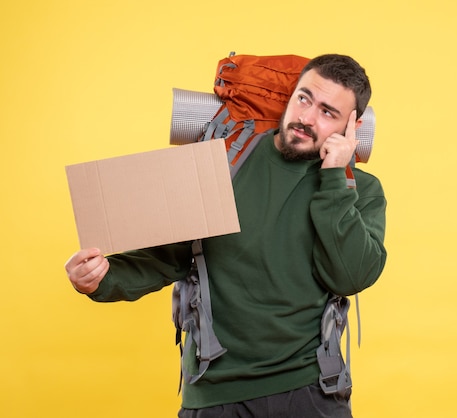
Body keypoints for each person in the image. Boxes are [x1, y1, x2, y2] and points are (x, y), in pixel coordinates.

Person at [65, 54, 387, 418]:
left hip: (311, 392)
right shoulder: (223, 165)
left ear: (353, 126)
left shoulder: (359, 190)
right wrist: (101, 278)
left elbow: (351, 276)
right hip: (215, 393)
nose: (307, 118)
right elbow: (168, 257)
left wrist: (333, 180)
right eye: (304, 98)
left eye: (328, 112)